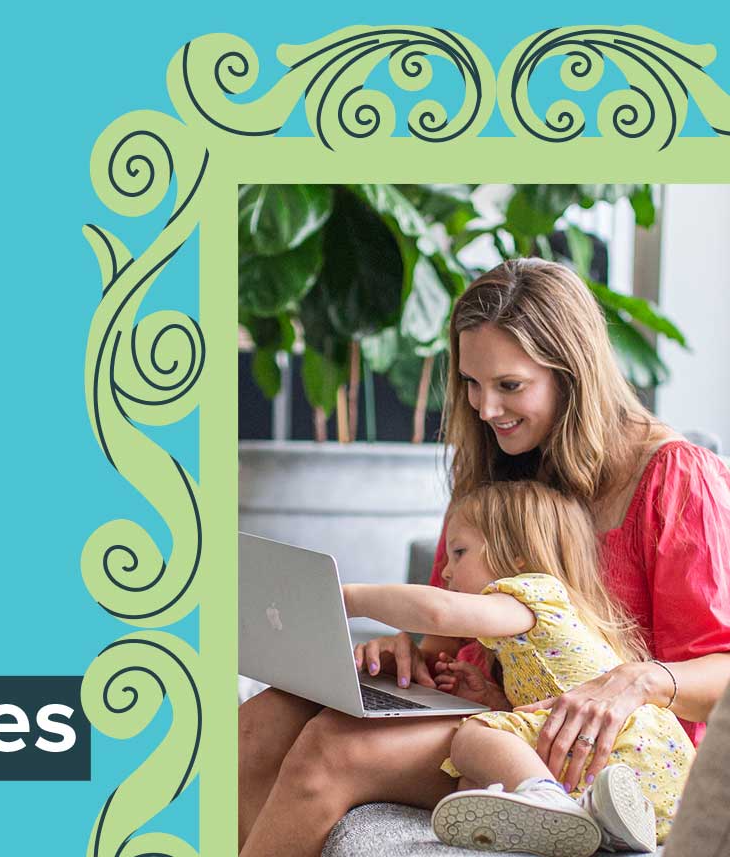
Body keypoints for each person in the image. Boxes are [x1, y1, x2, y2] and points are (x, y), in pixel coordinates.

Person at [238, 258, 730, 857]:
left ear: (572, 373)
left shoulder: (677, 477)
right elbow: (444, 629)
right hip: (484, 703)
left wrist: (636, 679)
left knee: (331, 752)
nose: (485, 408)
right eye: (472, 383)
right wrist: (406, 651)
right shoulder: (497, 468)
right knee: (259, 722)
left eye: (510, 386)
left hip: (597, 743)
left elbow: (720, 666)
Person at [348, 479, 691, 854]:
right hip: (652, 781)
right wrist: (494, 698)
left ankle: (550, 801)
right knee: (473, 782)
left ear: (517, 559)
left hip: (619, 750)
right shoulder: (566, 617)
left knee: (471, 738)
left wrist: (349, 598)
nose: (445, 572)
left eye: (459, 552)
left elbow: (438, 611)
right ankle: (597, 822)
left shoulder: (533, 592)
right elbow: (548, 697)